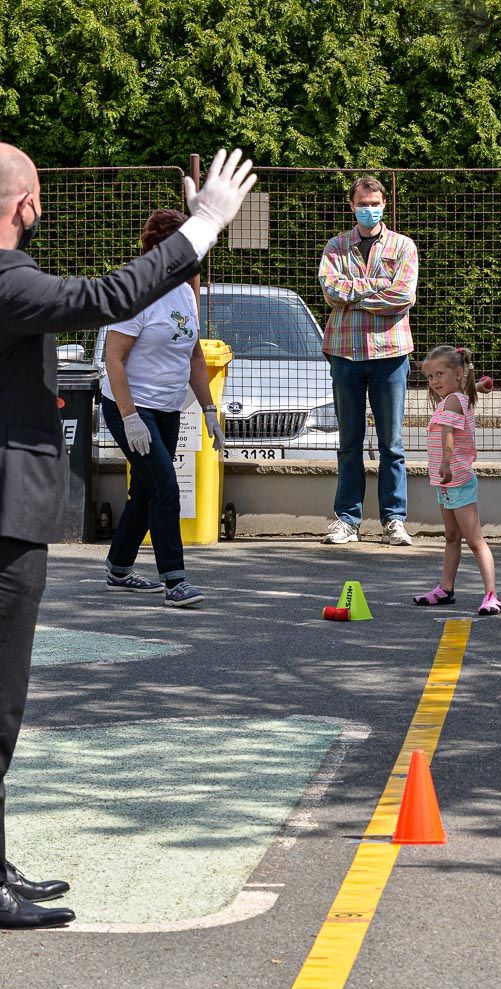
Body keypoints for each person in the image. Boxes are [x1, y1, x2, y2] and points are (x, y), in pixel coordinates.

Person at [0, 143, 255, 927]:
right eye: (38, 193)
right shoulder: (4, 276)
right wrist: (204, 225)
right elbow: (109, 296)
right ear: (22, 204)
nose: (42, 207)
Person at [102, 208, 224, 608]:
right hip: (131, 406)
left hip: (169, 407)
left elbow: (192, 356)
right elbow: (113, 359)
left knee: (146, 489)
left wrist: (208, 409)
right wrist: (130, 417)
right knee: (166, 487)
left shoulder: (186, 290)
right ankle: (175, 580)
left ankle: (119, 568)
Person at [318, 175, 418, 545]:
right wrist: (376, 287)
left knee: (392, 443)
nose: (369, 209)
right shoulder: (336, 245)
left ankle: (394, 520)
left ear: (384, 204)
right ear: (352, 204)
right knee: (349, 442)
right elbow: (330, 289)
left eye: (375, 203)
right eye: (363, 203)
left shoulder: (404, 246)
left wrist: (354, 294)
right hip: (345, 353)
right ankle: (347, 519)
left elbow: (402, 296)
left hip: (390, 354)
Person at [413, 345, 501, 615]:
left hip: (456, 477)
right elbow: (470, 388)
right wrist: (481, 384)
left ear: (458, 373)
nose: (434, 381)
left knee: (475, 540)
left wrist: (445, 462)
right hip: (446, 482)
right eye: (430, 377)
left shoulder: (453, 401)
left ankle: (491, 595)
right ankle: (445, 589)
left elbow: (448, 436)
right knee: (451, 537)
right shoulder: (457, 396)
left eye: (440, 374)